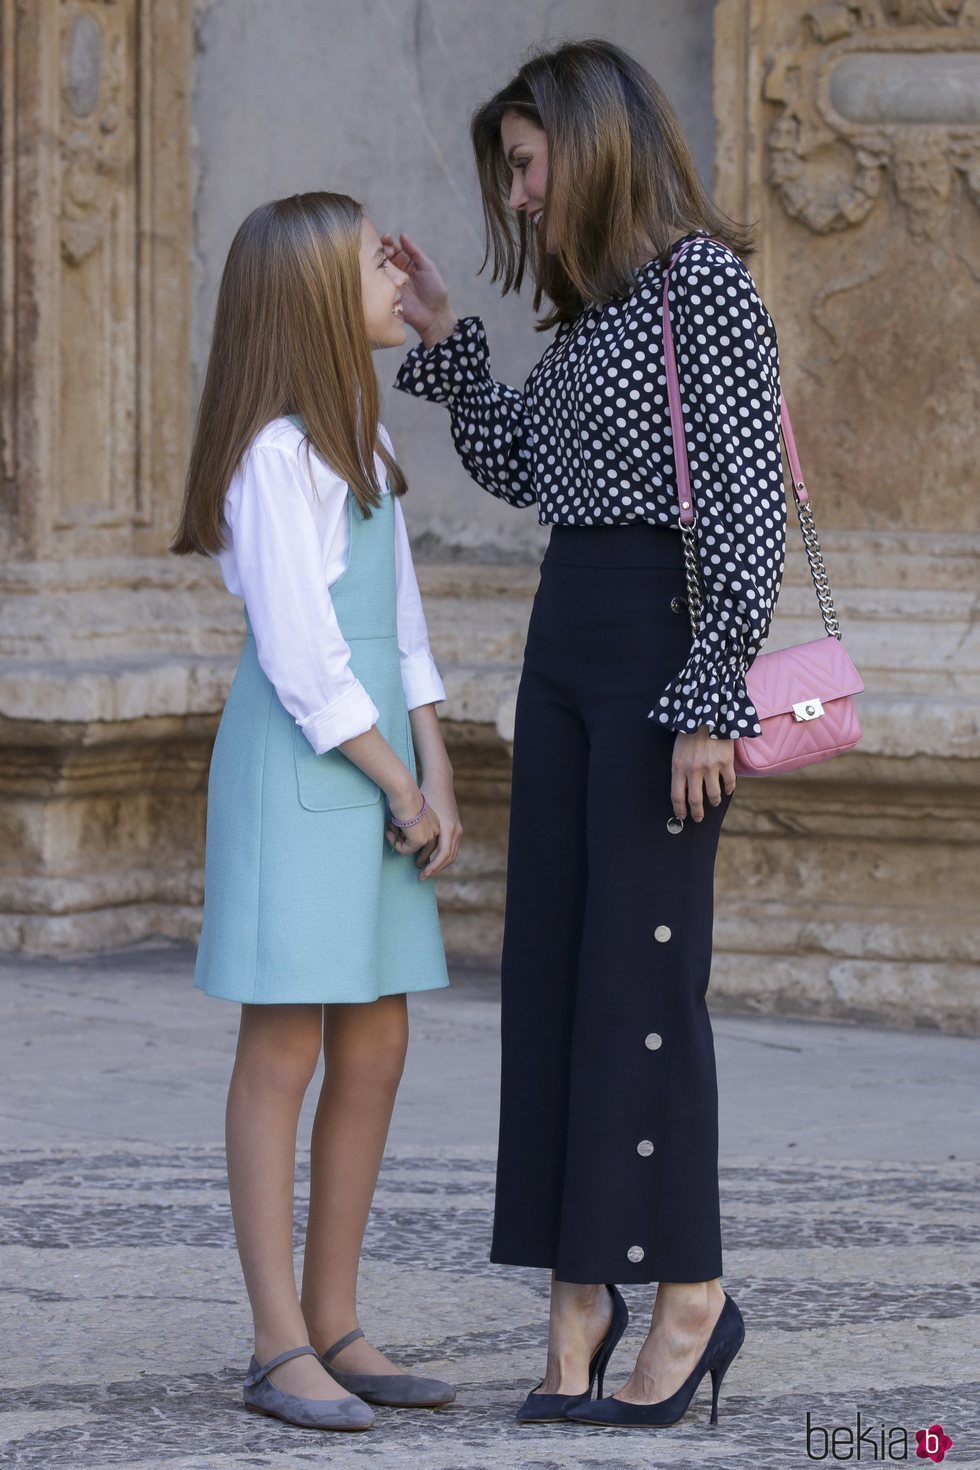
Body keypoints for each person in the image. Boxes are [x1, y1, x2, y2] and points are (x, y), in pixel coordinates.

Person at [385, 38, 785, 1429]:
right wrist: (445, 340)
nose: (518, 195)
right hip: (567, 651)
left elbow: (745, 502)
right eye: (507, 171)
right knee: (558, 979)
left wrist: (713, 690)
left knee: (643, 989)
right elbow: (524, 468)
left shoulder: (704, 289)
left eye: (525, 162)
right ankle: (579, 1286)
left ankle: (686, 1294)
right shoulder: (599, 319)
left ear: (592, 143)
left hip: (662, 655)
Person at [171, 192, 462, 1432]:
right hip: (309, 777)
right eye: (371, 260)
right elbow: (301, 658)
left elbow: (399, 630)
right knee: (283, 1047)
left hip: (382, 770)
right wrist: (395, 782)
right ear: (308, 302)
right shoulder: (274, 458)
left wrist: (435, 764)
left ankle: (337, 1319)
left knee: (379, 1038)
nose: (399, 269)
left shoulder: (365, 441)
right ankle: (276, 1340)